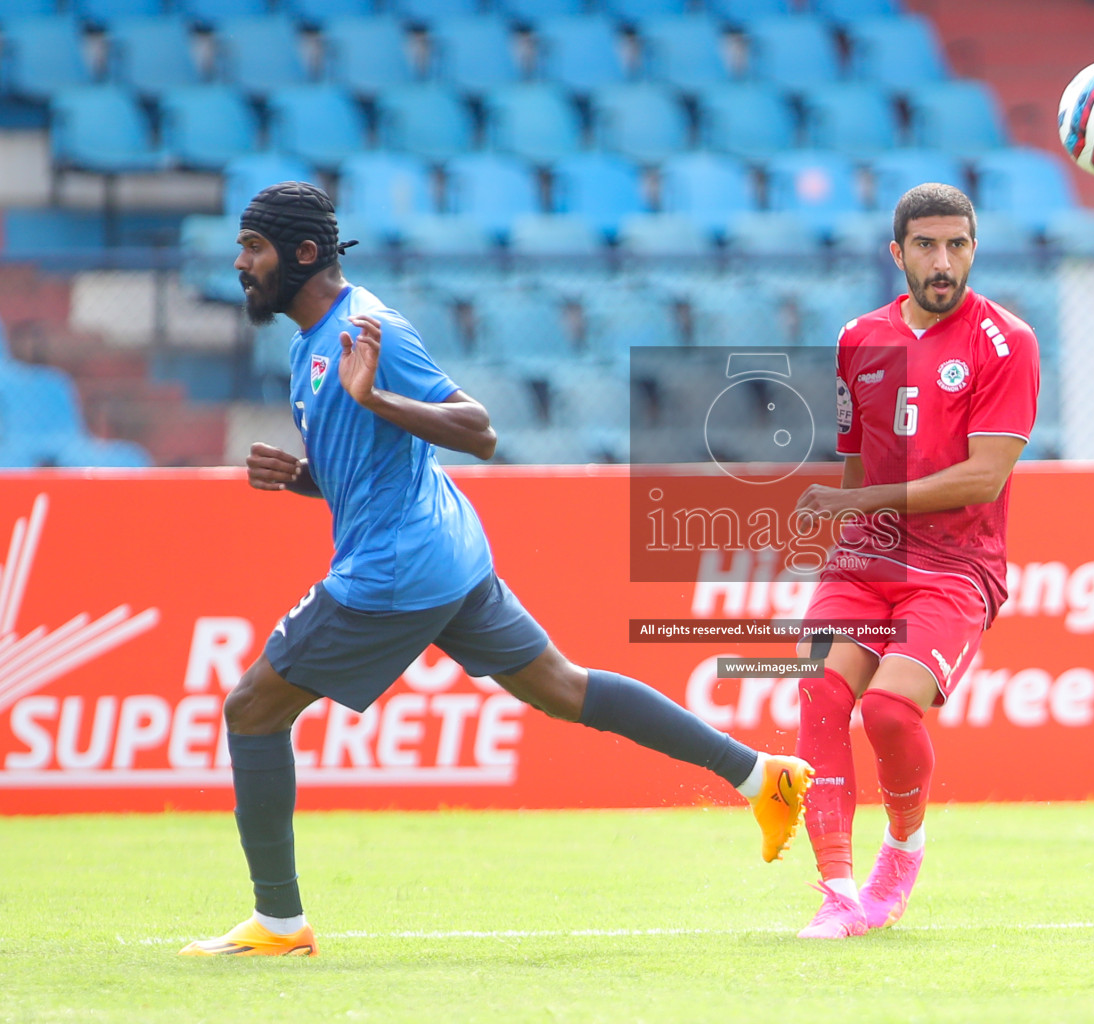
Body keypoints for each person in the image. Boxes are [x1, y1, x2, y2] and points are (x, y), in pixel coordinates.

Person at [180, 182, 812, 957]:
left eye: (254, 248)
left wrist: (376, 396)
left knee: (251, 709)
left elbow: (479, 431)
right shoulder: (310, 343)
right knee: (563, 687)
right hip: (443, 550)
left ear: (304, 254)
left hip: (397, 571)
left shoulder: (370, 330)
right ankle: (761, 776)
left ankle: (279, 923)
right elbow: (369, 465)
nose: (240, 262)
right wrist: (305, 477)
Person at [788, 183, 1040, 938]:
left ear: (973, 248)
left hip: (959, 566)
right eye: (926, 246)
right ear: (897, 254)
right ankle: (837, 894)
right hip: (866, 559)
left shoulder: (1006, 342)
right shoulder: (858, 339)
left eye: (957, 245)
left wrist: (858, 505)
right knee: (822, 694)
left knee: (891, 711)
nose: (943, 261)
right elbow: (859, 463)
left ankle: (901, 850)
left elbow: (983, 476)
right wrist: (848, 529)